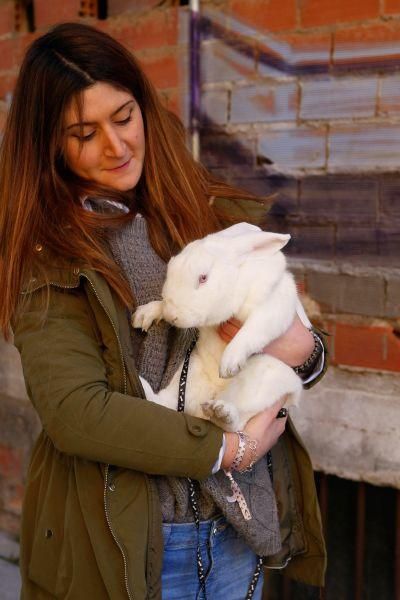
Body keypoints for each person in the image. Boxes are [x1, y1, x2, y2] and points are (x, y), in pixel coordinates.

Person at [0, 22, 326, 600]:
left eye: (123, 117)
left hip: (234, 530)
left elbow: (293, 323)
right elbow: (77, 411)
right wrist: (229, 449)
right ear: (51, 144)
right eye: (84, 133)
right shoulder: (49, 257)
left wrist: (306, 352)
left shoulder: (203, 208)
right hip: (128, 542)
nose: (116, 145)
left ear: (144, 106)